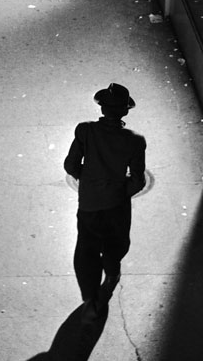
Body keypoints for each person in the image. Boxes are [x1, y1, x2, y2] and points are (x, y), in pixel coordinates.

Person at [63, 83, 147, 316]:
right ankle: (111, 274)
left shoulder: (85, 131)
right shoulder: (135, 140)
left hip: (89, 203)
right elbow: (138, 180)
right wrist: (119, 192)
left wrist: (89, 180)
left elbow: (70, 165)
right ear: (126, 111)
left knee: (86, 248)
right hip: (117, 205)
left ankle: (89, 300)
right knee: (115, 243)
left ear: (102, 109)